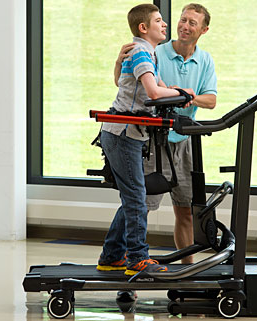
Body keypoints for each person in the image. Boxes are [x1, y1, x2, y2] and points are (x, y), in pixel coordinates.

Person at [97, 3, 195, 276]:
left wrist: (180, 91)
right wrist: (180, 92)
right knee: (136, 197)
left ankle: (111, 256)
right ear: (144, 28)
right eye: (159, 21)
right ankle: (137, 258)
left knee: (133, 196)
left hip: (127, 134)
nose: (165, 25)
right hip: (123, 134)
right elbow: (153, 92)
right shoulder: (141, 50)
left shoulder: (145, 52)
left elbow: (134, 83)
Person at [114, 3, 217, 264]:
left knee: (185, 211)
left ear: (203, 30)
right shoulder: (153, 50)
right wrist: (180, 94)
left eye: (192, 23)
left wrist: (185, 97)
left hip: (184, 142)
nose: (183, 26)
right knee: (140, 207)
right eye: (182, 20)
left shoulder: (204, 60)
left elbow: (211, 100)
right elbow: (135, 85)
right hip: (153, 141)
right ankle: (126, 262)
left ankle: (187, 274)